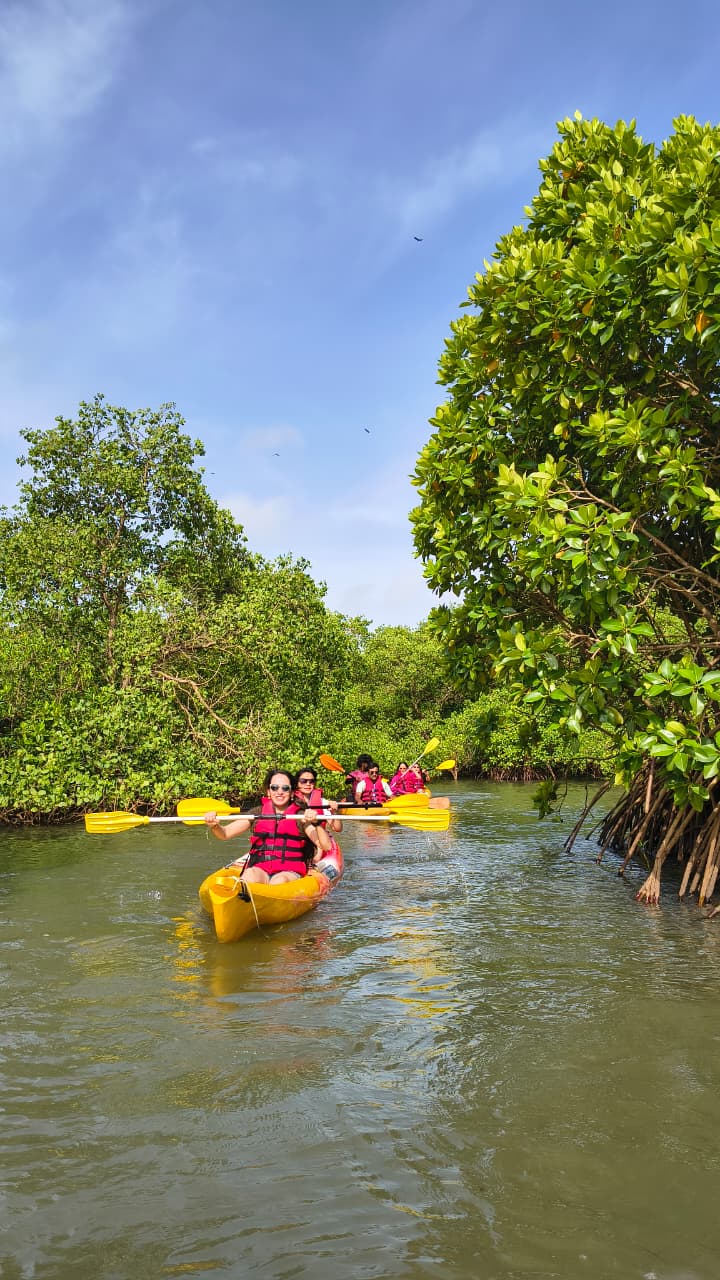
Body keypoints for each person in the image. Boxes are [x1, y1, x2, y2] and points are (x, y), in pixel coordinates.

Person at [203, 768, 321, 884]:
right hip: (261, 869)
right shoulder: (257, 813)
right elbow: (225, 834)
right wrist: (214, 826)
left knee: (279, 880)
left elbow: (324, 845)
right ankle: (243, 896)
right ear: (268, 791)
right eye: (274, 788)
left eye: (285, 788)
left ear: (291, 793)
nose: (279, 792)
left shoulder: (299, 816)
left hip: (289, 872)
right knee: (250, 875)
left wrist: (317, 823)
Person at [294, 766, 343, 842]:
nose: (308, 784)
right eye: (303, 781)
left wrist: (334, 812)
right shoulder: (290, 800)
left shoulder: (322, 802)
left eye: (311, 781)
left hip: (318, 841)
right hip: (295, 841)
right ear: (297, 783)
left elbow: (337, 828)